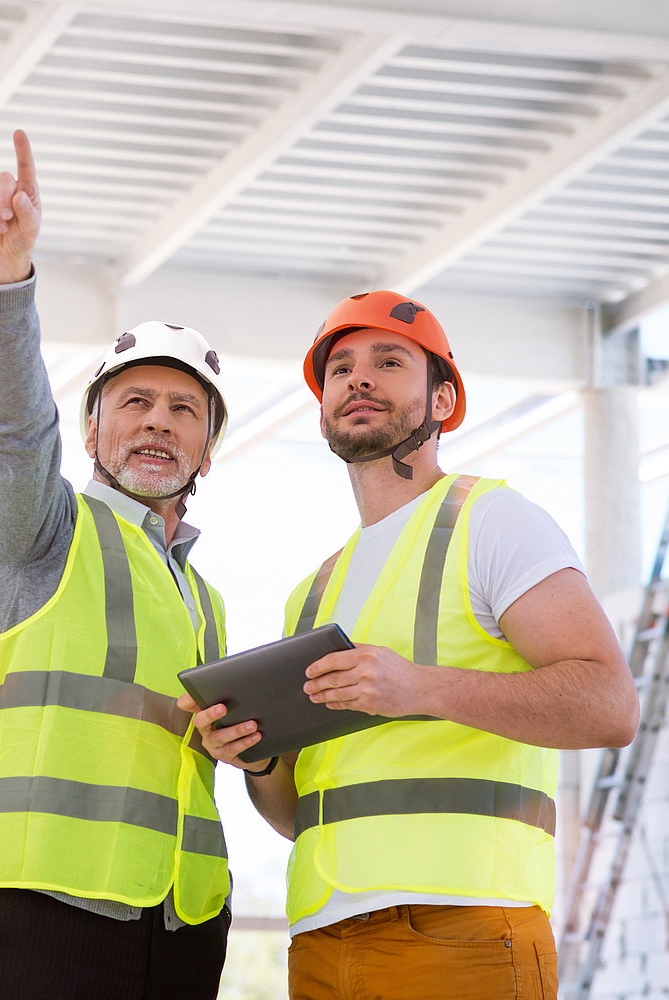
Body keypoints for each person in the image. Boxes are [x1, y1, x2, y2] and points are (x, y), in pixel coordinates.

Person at [180, 290, 641, 1000]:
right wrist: (257, 757)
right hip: (322, 940)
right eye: (338, 370)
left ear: (443, 399)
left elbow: (610, 705)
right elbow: (296, 816)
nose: (356, 379)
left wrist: (419, 687)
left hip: (464, 931)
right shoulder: (311, 593)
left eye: (387, 362)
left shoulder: (491, 522)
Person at [0, 129, 233, 1000]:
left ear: (207, 446)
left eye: (183, 409)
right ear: (91, 433)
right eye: (136, 403)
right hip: (46, 910)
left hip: (182, 919)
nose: (158, 422)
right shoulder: (44, 529)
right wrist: (7, 278)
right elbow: (13, 430)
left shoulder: (205, 597)